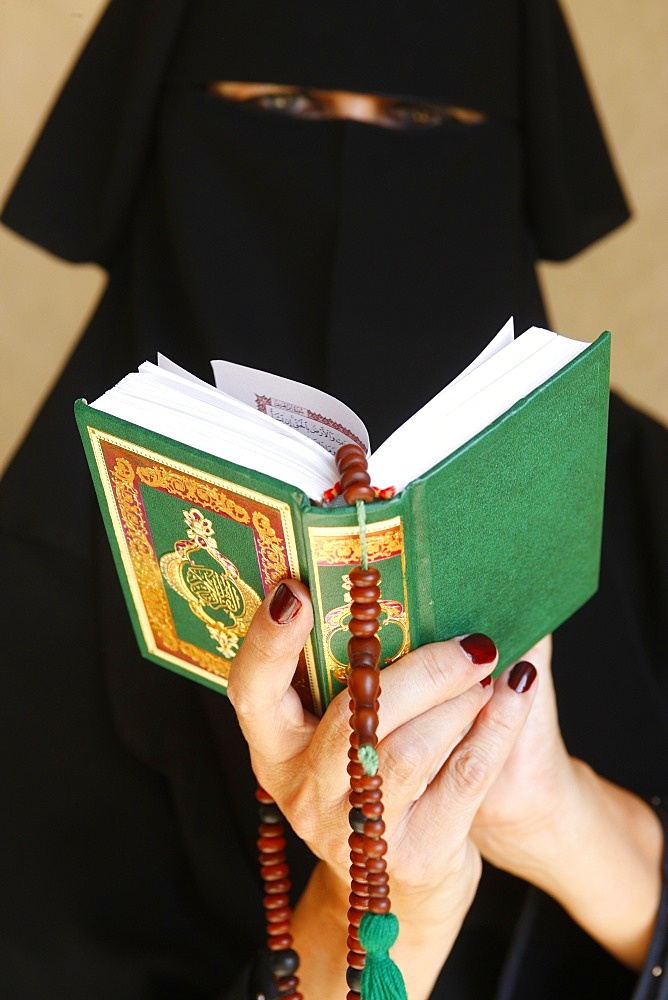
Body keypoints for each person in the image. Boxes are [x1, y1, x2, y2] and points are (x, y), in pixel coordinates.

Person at [1, 2, 667, 998]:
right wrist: (389, 897)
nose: (350, 177)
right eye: (282, 105)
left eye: (418, 122)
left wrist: (559, 819)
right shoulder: (31, 568)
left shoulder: (652, 502)